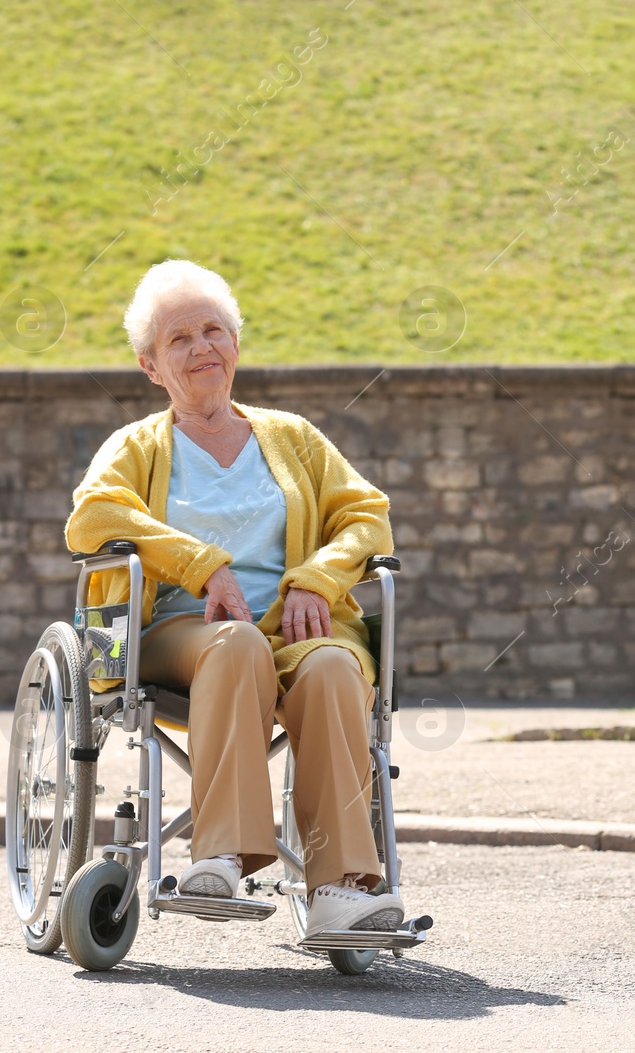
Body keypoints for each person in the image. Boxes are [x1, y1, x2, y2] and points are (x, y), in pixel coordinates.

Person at [65, 259, 400, 937]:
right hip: (177, 633)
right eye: (178, 339)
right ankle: (217, 856)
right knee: (236, 640)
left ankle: (339, 889)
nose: (201, 348)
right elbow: (93, 515)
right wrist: (202, 567)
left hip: (295, 633)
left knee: (336, 665)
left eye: (213, 330)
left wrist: (319, 575)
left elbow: (369, 515)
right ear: (150, 366)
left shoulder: (293, 439)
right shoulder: (136, 447)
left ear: (236, 345)